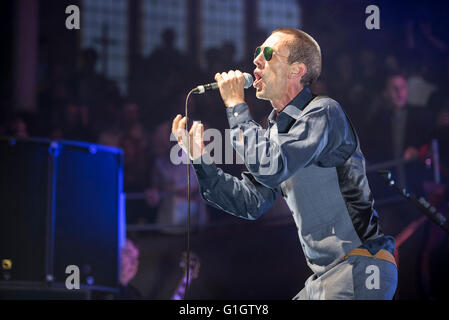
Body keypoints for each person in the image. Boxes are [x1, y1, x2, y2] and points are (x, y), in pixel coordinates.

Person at [172, 28, 397, 300]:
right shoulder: (275, 131)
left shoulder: (324, 111)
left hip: (360, 266)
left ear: (296, 70)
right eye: (257, 53)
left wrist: (235, 105)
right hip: (325, 278)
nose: (256, 60)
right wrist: (199, 158)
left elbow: (271, 166)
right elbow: (251, 202)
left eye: (267, 54)